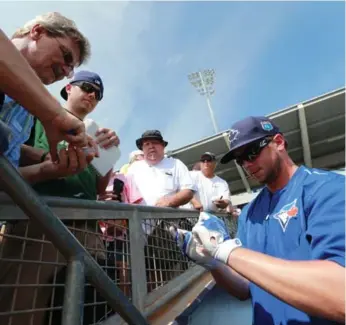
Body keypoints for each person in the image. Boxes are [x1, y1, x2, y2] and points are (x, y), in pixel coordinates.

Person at [172, 116, 345, 325]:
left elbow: (340, 294)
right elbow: (245, 287)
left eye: (252, 153)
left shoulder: (327, 188)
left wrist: (227, 250)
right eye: (240, 159)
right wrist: (213, 262)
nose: (247, 164)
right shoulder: (250, 212)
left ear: (279, 143)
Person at [0, 71, 120, 325]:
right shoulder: (40, 114)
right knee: (23, 310)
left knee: (89, 310)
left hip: (88, 229)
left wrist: (108, 156)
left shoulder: (95, 132)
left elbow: (99, 188)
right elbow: (12, 149)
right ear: (68, 88)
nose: (92, 95)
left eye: (97, 94)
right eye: (87, 87)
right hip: (39, 224)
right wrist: (47, 159)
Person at [0, 13, 91, 159]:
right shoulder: (46, 112)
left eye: (71, 69)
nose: (66, 71)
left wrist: (47, 167)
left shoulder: (29, 116)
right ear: (37, 31)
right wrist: (54, 115)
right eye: (67, 56)